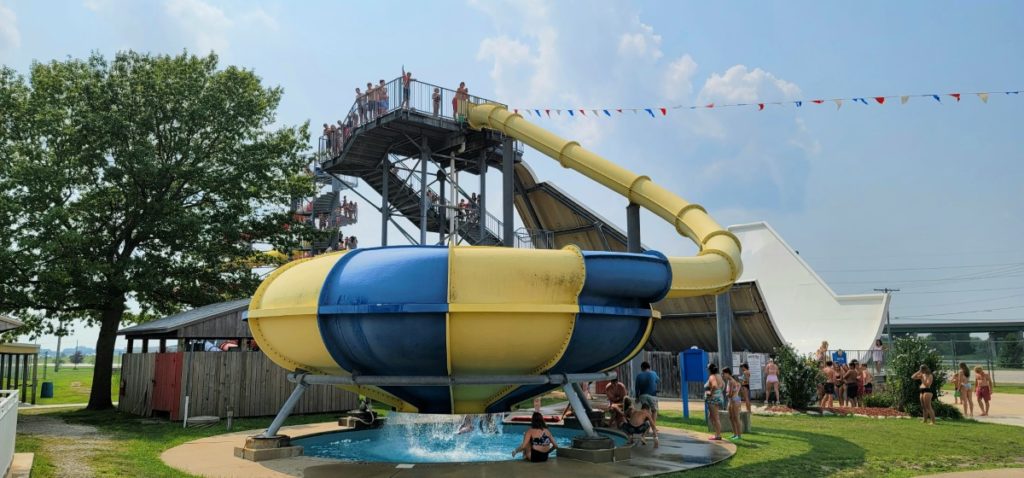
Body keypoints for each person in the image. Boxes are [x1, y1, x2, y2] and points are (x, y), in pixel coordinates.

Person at [704, 363, 724, 441]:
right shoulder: (719, 376)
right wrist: (719, 393)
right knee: (712, 416)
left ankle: (718, 435)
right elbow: (722, 385)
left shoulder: (712, 377)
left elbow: (714, 385)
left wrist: (710, 393)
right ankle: (717, 434)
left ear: (709, 369)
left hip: (713, 399)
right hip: (718, 398)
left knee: (715, 418)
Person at [722, 367, 743, 441]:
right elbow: (729, 393)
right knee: (731, 418)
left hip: (735, 401)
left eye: (723, 373)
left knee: (736, 418)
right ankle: (735, 434)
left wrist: (727, 394)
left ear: (727, 373)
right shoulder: (729, 381)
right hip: (731, 401)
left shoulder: (731, 381)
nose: (722, 375)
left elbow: (730, 394)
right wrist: (728, 394)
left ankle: (739, 435)